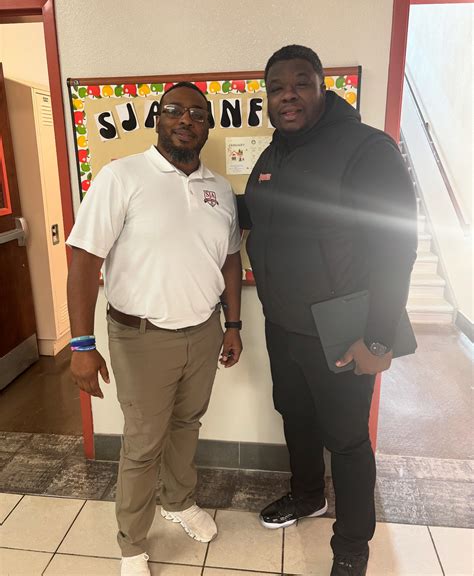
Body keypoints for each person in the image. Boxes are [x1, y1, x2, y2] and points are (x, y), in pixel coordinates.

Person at [239, 45, 417, 576]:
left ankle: (352, 547)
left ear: (323, 87)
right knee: (295, 417)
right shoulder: (273, 155)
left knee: (347, 439)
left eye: (301, 83)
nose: (287, 95)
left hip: (343, 330)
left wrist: (379, 338)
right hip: (283, 325)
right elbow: (264, 221)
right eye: (276, 87)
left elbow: (397, 247)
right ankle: (308, 495)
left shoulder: (366, 149)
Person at [67, 82, 243, 576]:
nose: (186, 120)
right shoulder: (120, 176)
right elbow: (84, 262)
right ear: (157, 119)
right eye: (174, 111)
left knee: (187, 424)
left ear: (208, 126)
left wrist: (233, 323)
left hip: (204, 332)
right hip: (140, 338)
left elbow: (230, 259)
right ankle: (132, 544)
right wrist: (81, 345)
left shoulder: (219, 189)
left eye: (197, 114)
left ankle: (179, 500)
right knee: (144, 444)